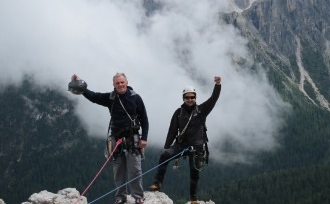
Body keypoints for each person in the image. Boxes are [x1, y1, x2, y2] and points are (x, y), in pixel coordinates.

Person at [70, 73, 149, 204]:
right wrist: (79, 85)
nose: (120, 85)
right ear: (114, 85)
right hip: (116, 139)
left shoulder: (136, 98)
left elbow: (144, 119)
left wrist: (144, 138)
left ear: (127, 82)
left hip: (132, 138)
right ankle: (120, 197)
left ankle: (138, 197)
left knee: (135, 170)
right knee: (118, 171)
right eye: (117, 83)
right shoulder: (110, 98)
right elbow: (94, 97)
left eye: (122, 82)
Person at [148, 76, 221, 204]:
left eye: (192, 97)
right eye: (187, 97)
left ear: (195, 98)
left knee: (194, 174)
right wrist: (167, 146)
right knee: (165, 155)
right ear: (183, 98)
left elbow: (213, 100)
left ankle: (193, 198)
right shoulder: (178, 112)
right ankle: (157, 183)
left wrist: (218, 85)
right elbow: (172, 131)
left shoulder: (202, 110)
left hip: (197, 147)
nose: (190, 99)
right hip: (181, 145)